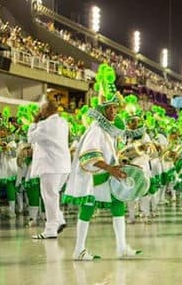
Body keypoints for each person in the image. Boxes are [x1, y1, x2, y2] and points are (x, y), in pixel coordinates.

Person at [62, 64, 141, 260]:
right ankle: (78, 250)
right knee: (88, 209)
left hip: (105, 174)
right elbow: (89, 156)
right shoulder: (96, 129)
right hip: (94, 176)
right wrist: (110, 168)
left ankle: (122, 247)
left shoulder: (108, 130)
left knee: (118, 205)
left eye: (116, 107)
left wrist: (120, 160)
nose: (114, 111)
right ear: (103, 108)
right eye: (110, 107)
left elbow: (108, 153)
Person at [27, 100, 71, 239]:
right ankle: (60, 219)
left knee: (49, 196)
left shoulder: (44, 125)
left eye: (41, 109)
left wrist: (34, 122)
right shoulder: (63, 123)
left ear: (46, 110)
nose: (40, 112)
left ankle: (51, 229)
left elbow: (30, 138)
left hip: (50, 166)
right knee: (52, 194)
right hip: (62, 166)